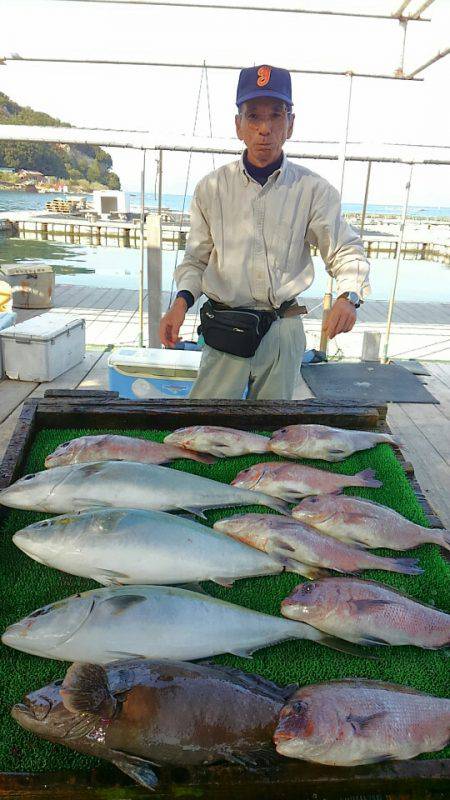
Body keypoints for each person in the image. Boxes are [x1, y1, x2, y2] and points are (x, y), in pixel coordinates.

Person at [159, 65, 370, 400]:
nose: (264, 129)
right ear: (238, 125)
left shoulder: (314, 190)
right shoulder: (211, 188)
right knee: (206, 426)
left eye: (276, 115)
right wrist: (180, 303)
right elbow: (196, 260)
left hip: (282, 329)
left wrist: (349, 297)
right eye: (253, 116)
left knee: (274, 430)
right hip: (225, 328)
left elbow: (345, 250)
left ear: (291, 124)